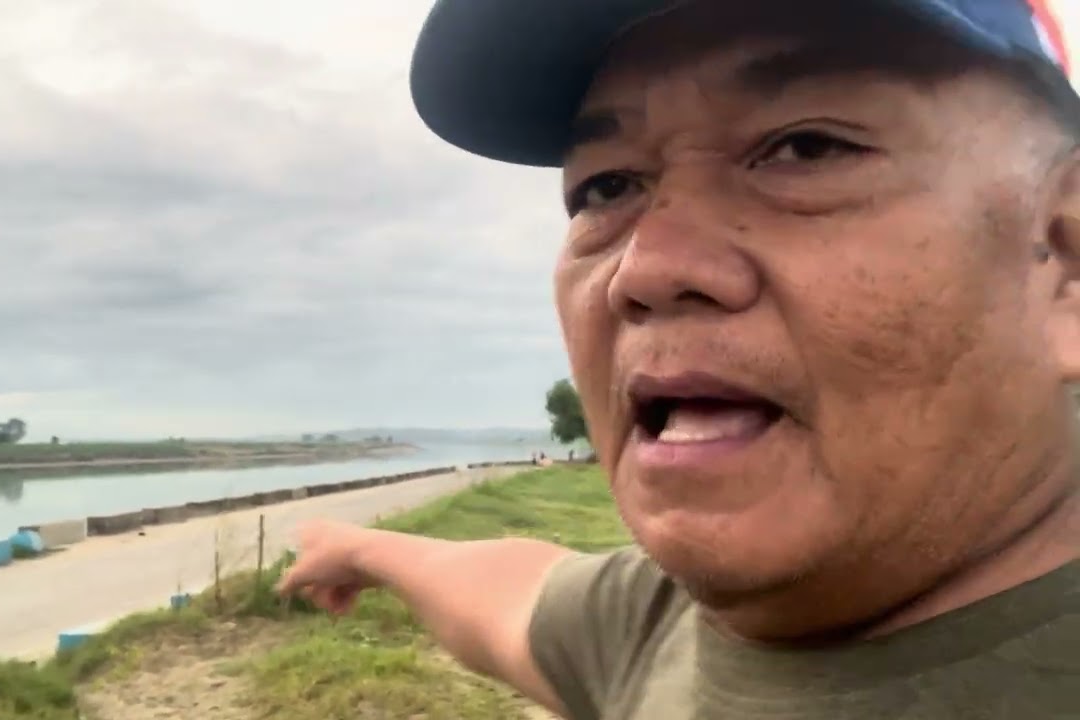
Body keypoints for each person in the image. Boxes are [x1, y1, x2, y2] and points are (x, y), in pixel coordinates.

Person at [279, 0, 1079, 717]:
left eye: (805, 147)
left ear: (1066, 261)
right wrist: (360, 548)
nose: (647, 269)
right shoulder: (652, 631)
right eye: (606, 187)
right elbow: (511, 593)